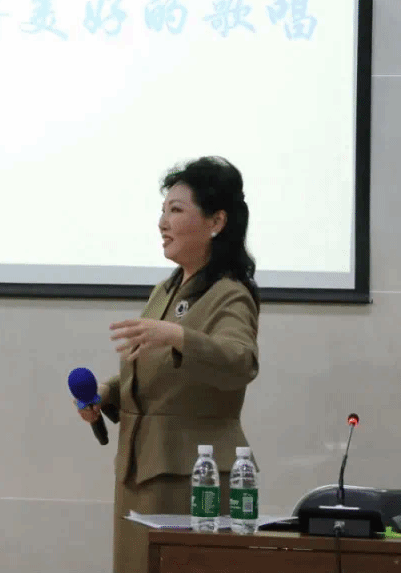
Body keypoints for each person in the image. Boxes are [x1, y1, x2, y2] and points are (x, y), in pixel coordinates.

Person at [78, 156, 260, 573]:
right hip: (142, 472)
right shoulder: (166, 289)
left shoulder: (230, 294)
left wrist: (177, 336)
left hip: (194, 479)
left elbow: (240, 361)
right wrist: (106, 393)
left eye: (175, 210)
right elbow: (153, 373)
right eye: (162, 211)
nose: (163, 223)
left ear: (216, 221)